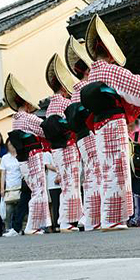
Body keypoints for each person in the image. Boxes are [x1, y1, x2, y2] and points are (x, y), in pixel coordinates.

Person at [82, 15, 140, 231]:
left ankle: (103, 218)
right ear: (109, 52)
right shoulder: (109, 70)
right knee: (116, 170)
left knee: (104, 171)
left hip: (99, 127)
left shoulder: (93, 75)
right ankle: (112, 219)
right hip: (113, 123)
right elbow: (135, 85)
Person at [4, 73, 51, 235]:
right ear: (26, 103)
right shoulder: (28, 118)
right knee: (38, 189)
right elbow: (45, 128)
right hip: (34, 155)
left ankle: (35, 224)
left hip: (23, 159)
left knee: (34, 189)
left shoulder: (15, 120)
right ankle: (33, 225)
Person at [64, 36, 101, 231]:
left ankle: (88, 216)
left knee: (90, 174)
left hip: (80, 137)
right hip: (90, 132)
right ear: (87, 71)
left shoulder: (74, 92)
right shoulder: (86, 89)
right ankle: (91, 216)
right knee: (95, 174)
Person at [43, 53, 82, 233]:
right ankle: (68, 221)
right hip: (67, 146)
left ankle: (70, 219)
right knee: (71, 184)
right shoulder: (65, 103)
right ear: (64, 88)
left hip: (56, 149)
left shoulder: (50, 106)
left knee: (67, 184)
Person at [0, 139, 22, 233]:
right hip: (9, 187)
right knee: (8, 209)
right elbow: (3, 174)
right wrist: (2, 188)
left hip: (20, 186)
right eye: (9, 144)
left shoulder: (21, 155)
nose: (11, 146)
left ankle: (19, 228)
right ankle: (8, 228)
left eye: (12, 144)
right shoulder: (5, 158)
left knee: (19, 210)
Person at [43, 150, 61, 233]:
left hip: (62, 181)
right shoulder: (47, 153)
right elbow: (47, 165)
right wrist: (58, 169)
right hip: (52, 183)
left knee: (62, 203)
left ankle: (63, 222)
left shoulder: (60, 151)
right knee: (55, 204)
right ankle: (56, 225)